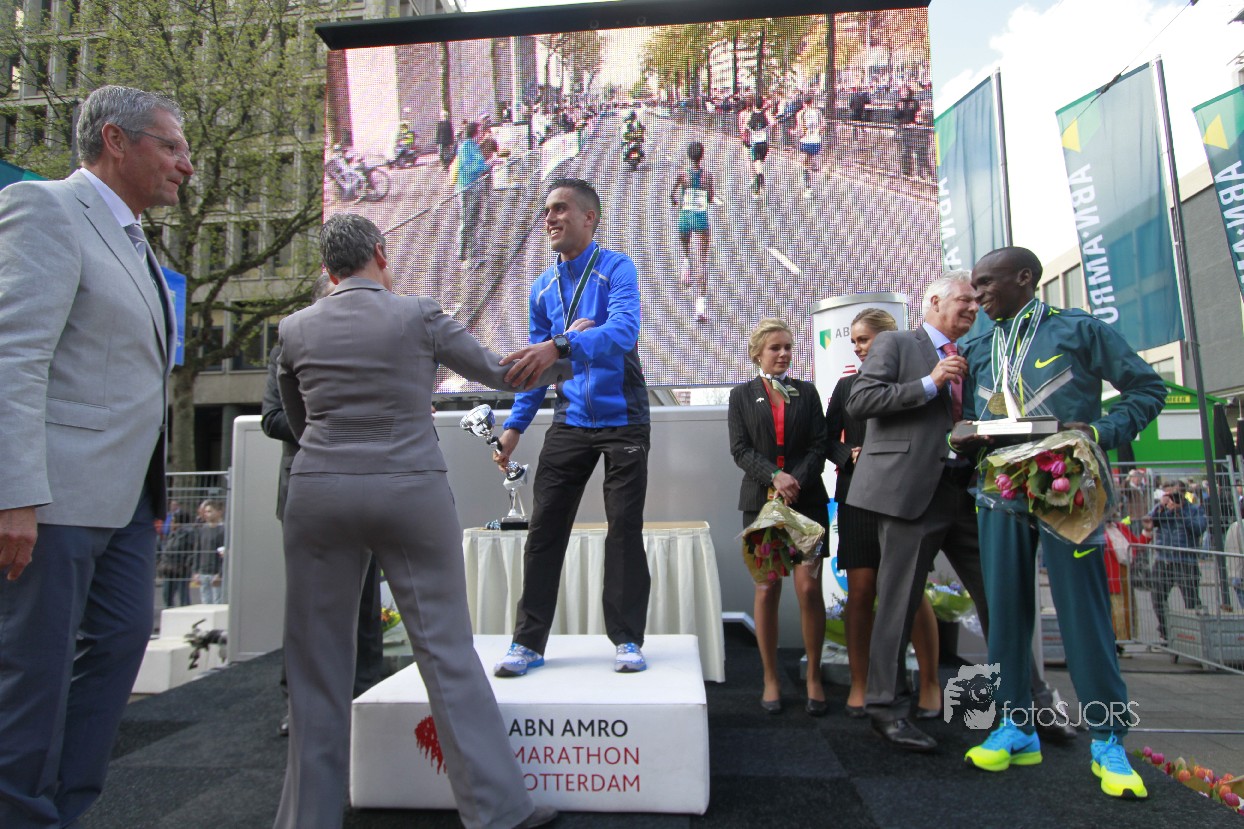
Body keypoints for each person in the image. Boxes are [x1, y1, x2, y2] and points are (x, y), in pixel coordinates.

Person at [273, 213, 567, 829]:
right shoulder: (419, 314)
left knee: (315, 666)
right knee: (446, 653)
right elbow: (500, 373)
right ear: (381, 254)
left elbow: (299, 423)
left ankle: (307, 818)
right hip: (410, 490)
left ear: (328, 270)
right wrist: (565, 351)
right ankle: (496, 811)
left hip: (319, 493)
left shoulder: (294, 328)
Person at [0, 84, 190, 828]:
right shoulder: (45, 209)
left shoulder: (135, 239)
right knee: (34, 673)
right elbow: (15, 358)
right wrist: (14, 493)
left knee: (118, 644)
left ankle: (62, 809)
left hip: (126, 503)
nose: (185, 165)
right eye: (170, 146)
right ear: (115, 140)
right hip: (53, 498)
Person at [957, 245, 1164, 798]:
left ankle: (1108, 739)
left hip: (1066, 488)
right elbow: (970, 418)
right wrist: (963, 435)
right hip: (999, 490)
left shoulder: (1077, 330)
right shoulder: (977, 346)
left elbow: (1149, 388)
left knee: (1082, 613)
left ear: (1024, 278)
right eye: (975, 286)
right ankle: (1014, 725)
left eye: (987, 282)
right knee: (1004, 613)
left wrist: (1097, 432)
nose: (978, 294)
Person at [492, 178, 652, 677]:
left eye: (560, 209)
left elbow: (623, 332)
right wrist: (515, 426)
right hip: (570, 419)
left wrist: (561, 344)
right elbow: (536, 368)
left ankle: (627, 639)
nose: (550, 219)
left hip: (624, 419)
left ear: (589, 218)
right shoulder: (542, 287)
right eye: (546, 211)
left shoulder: (616, 267)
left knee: (623, 530)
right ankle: (527, 642)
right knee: (544, 530)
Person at [844, 273, 989, 753]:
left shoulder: (977, 353)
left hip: (966, 491)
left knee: (998, 595)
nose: (974, 307)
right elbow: (862, 401)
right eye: (965, 299)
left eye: (977, 301)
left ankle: (1026, 703)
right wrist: (930, 383)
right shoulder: (896, 343)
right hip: (909, 495)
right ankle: (884, 709)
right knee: (898, 603)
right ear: (934, 300)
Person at [261, 274, 384, 737]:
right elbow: (272, 418)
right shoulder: (287, 347)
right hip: (309, 491)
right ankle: (299, 704)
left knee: (366, 604)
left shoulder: (373, 350)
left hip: (365, 486)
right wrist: (333, 426)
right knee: (309, 605)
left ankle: (364, 696)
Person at [825, 308, 942, 720]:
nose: (859, 348)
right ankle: (860, 683)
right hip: (857, 498)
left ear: (889, 340)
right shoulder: (846, 387)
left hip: (904, 495)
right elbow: (827, 439)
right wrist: (848, 455)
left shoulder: (924, 381)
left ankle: (930, 684)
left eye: (865, 339)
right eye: (854, 341)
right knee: (860, 592)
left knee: (912, 592)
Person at [727, 319, 829, 715]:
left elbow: (819, 444)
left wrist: (794, 480)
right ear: (757, 354)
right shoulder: (741, 395)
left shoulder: (808, 392)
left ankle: (814, 676)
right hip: (761, 504)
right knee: (767, 588)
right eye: (775, 348)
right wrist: (774, 476)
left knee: (808, 588)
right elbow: (740, 449)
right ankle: (771, 678)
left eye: (788, 347)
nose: (784, 354)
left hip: (807, 502)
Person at [1147, 483, 1207, 642]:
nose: (1173, 498)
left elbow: (1199, 528)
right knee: (1157, 597)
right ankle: (1165, 631)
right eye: (1170, 494)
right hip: (1163, 559)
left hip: (1185, 560)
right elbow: (1149, 522)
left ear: (1183, 494)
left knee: (1192, 600)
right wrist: (1161, 506)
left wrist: (1180, 511)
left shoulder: (1193, 509)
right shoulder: (1162, 508)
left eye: (1176, 494)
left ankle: (1196, 636)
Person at [670, 141, 715, 323]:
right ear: (702, 156)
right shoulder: (707, 176)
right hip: (700, 219)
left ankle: (686, 261)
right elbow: (710, 198)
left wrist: (677, 201)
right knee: (702, 263)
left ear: (689, 156)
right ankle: (700, 309)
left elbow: (672, 195)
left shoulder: (683, 174)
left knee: (686, 247)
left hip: (685, 218)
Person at [454, 121, 490, 269]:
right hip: (466, 188)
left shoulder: (474, 146)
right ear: (474, 133)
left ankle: (474, 255)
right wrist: (487, 165)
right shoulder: (465, 147)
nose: (482, 134)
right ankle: (464, 256)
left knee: (474, 221)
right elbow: (469, 168)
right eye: (480, 131)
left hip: (475, 187)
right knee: (467, 222)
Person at [738, 94, 772, 198]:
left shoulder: (750, 115)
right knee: (759, 164)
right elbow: (773, 123)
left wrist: (747, 133)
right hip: (764, 144)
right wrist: (767, 129)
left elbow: (744, 128)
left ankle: (757, 188)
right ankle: (759, 180)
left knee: (757, 166)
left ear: (754, 104)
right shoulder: (766, 114)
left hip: (755, 144)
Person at [194, 499, 226, 604]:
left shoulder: (222, 531)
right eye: (206, 512)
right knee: (205, 602)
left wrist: (220, 573)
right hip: (203, 572)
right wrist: (196, 571)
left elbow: (224, 555)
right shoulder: (202, 530)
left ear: (218, 512)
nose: (207, 514)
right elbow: (197, 551)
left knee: (218, 602)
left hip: (215, 573)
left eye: (210, 511)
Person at [794, 93, 824, 196]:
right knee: (809, 160)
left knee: (804, 165)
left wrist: (794, 132)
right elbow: (823, 125)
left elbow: (800, 130)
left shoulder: (801, 114)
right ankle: (813, 164)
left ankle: (808, 188)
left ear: (803, 103)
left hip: (805, 141)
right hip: (816, 141)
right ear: (812, 102)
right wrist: (817, 132)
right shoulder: (818, 112)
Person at [894, 85, 920, 178]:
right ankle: (906, 171)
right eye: (902, 92)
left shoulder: (914, 102)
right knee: (904, 151)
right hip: (902, 129)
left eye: (905, 92)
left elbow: (918, 114)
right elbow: (895, 116)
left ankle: (917, 172)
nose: (903, 94)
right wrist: (899, 109)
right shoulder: (899, 103)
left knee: (914, 151)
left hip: (912, 129)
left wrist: (916, 122)